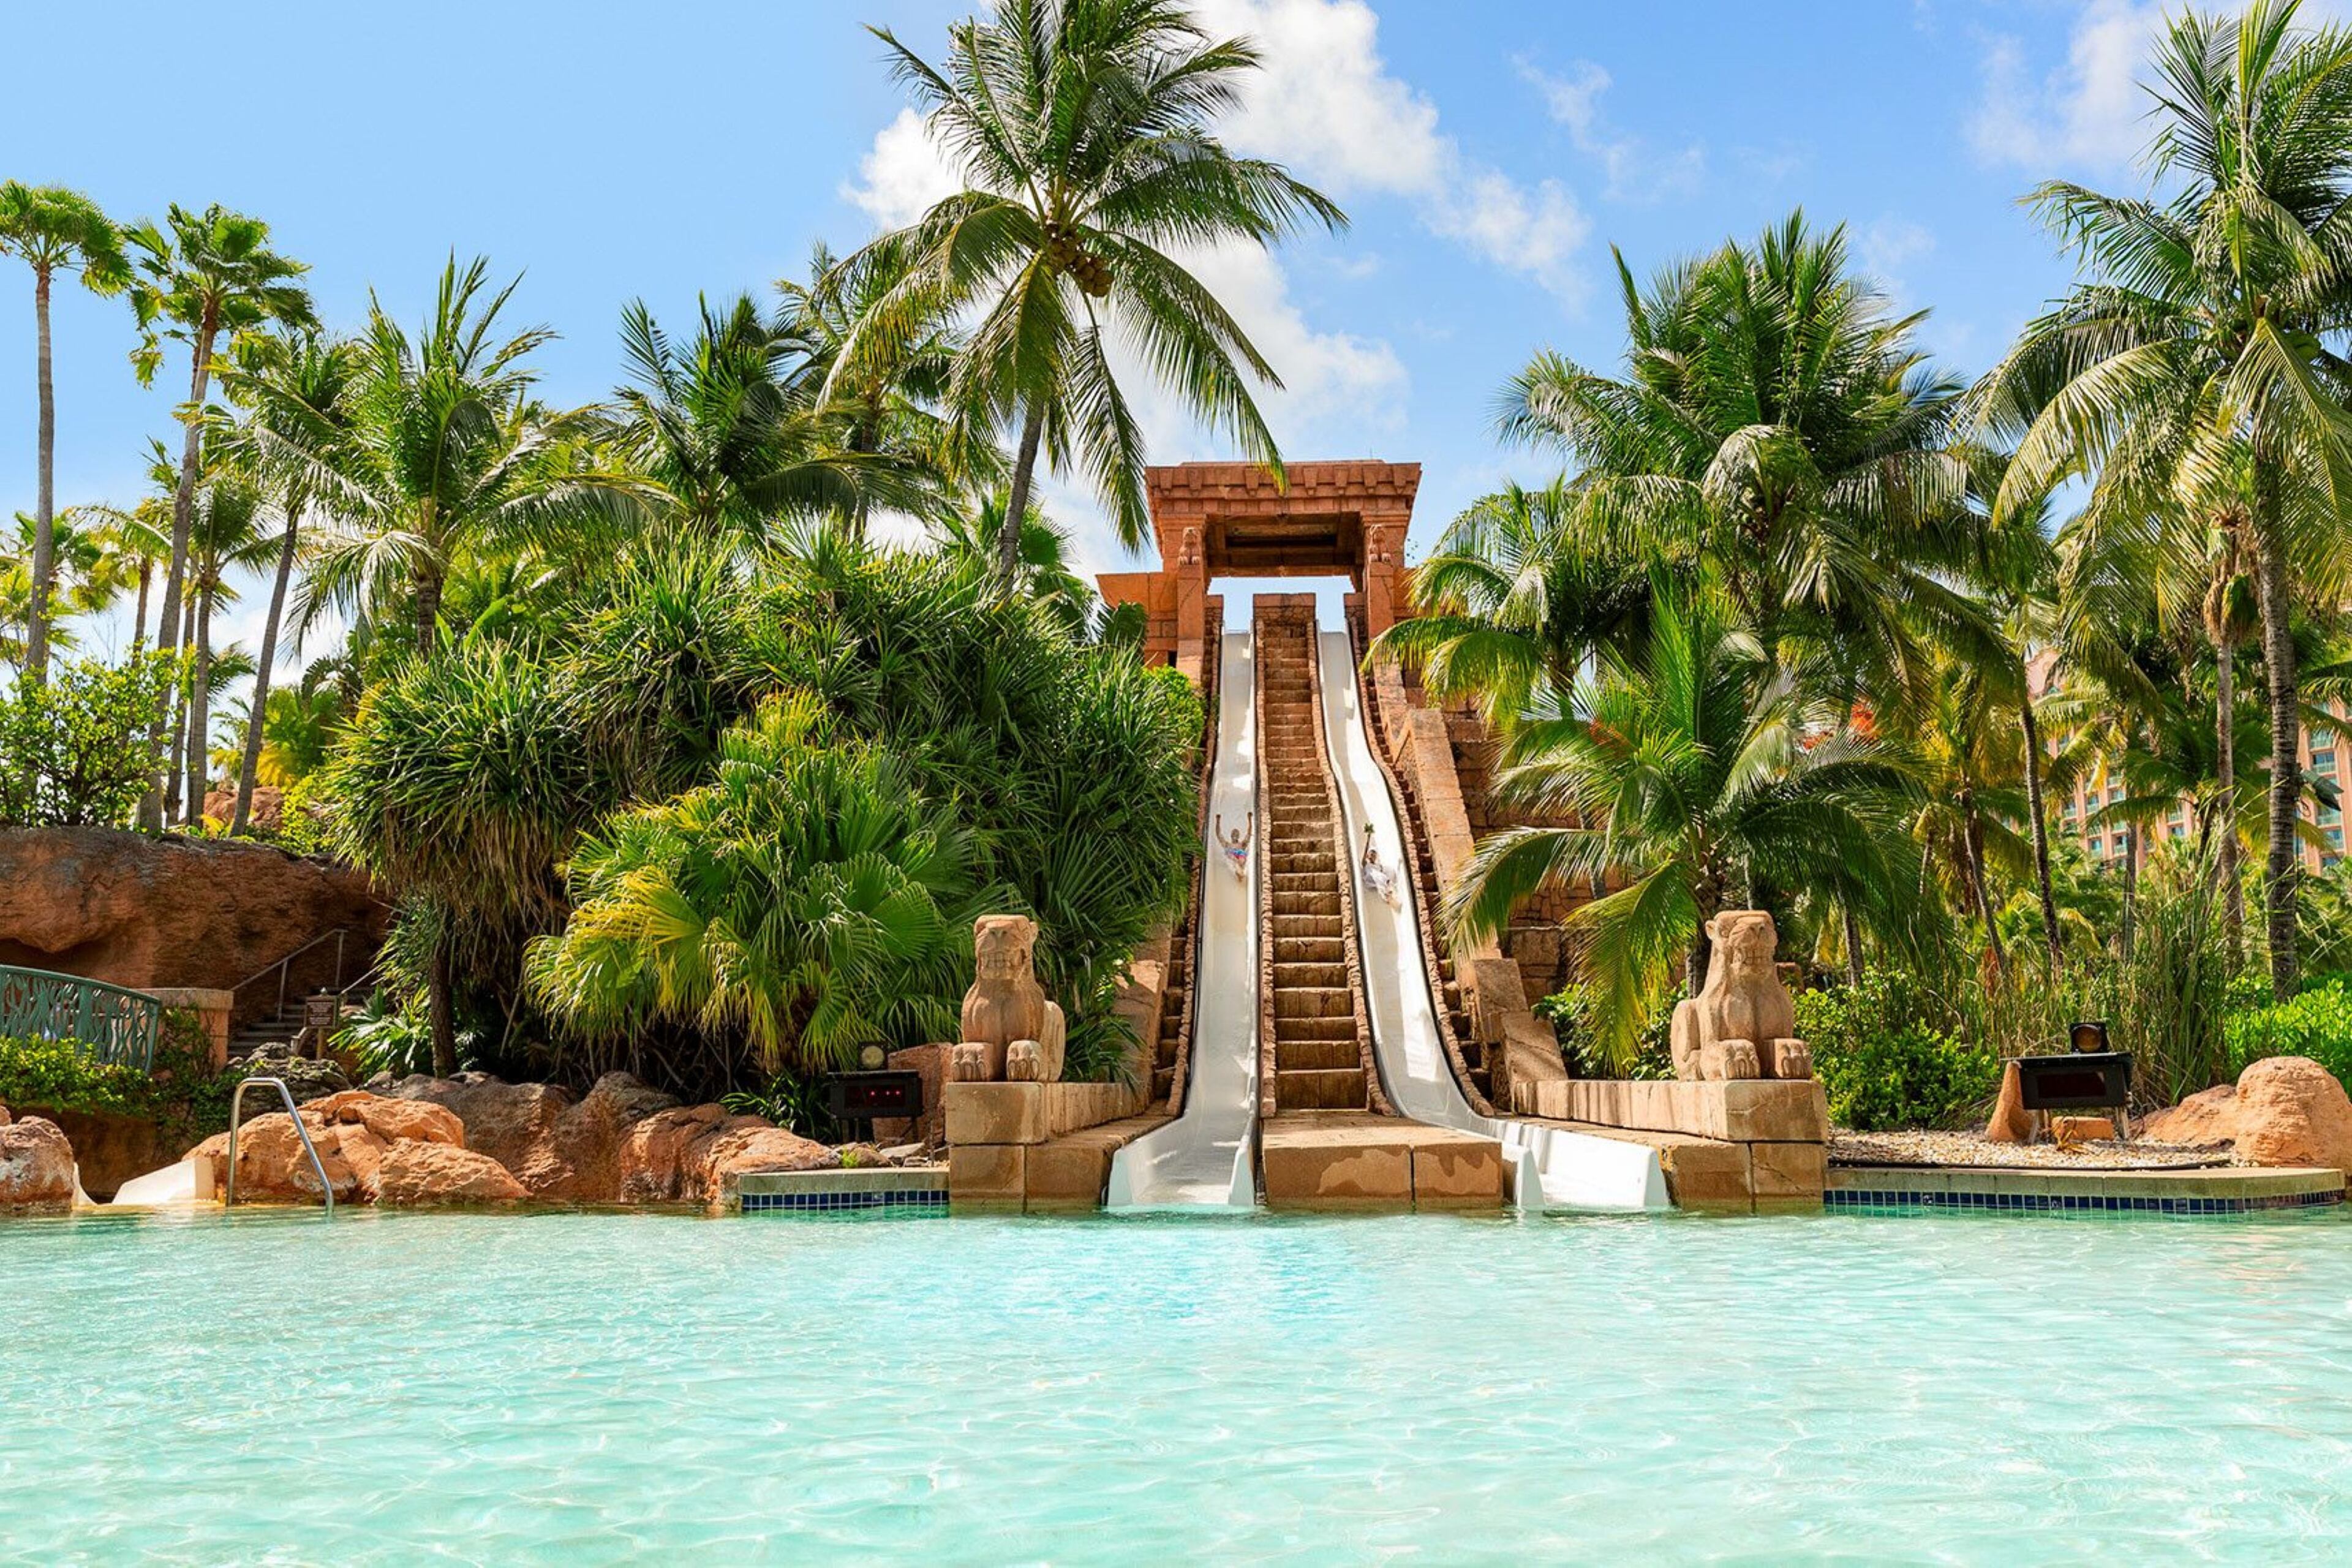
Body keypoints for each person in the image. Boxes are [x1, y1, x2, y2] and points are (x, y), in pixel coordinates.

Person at [1360, 823, 1401, 908]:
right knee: (1379, 877)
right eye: (1371, 854)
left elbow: (1386, 870)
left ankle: (1390, 896)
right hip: (1371, 878)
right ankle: (1387, 892)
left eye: (1374, 855)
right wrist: (1368, 838)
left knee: (1384, 877)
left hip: (1379, 880)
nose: (1372, 856)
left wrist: (1399, 865)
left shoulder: (1378, 866)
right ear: (1368, 856)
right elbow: (1364, 854)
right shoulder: (1366, 864)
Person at [1215, 810, 1253, 882]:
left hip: (1240, 858)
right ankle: (1240, 873)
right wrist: (1218, 821)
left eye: (1236, 834)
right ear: (1231, 836)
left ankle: (1240, 873)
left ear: (1238, 836)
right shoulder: (1227, 845)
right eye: (1233, 834)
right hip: (1233, 858)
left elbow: (1249, 834)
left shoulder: (1242, 844)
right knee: (1231, 856)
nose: (1235, 835)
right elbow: (1218, 834)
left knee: (1240, 858)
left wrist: (1250, 819)